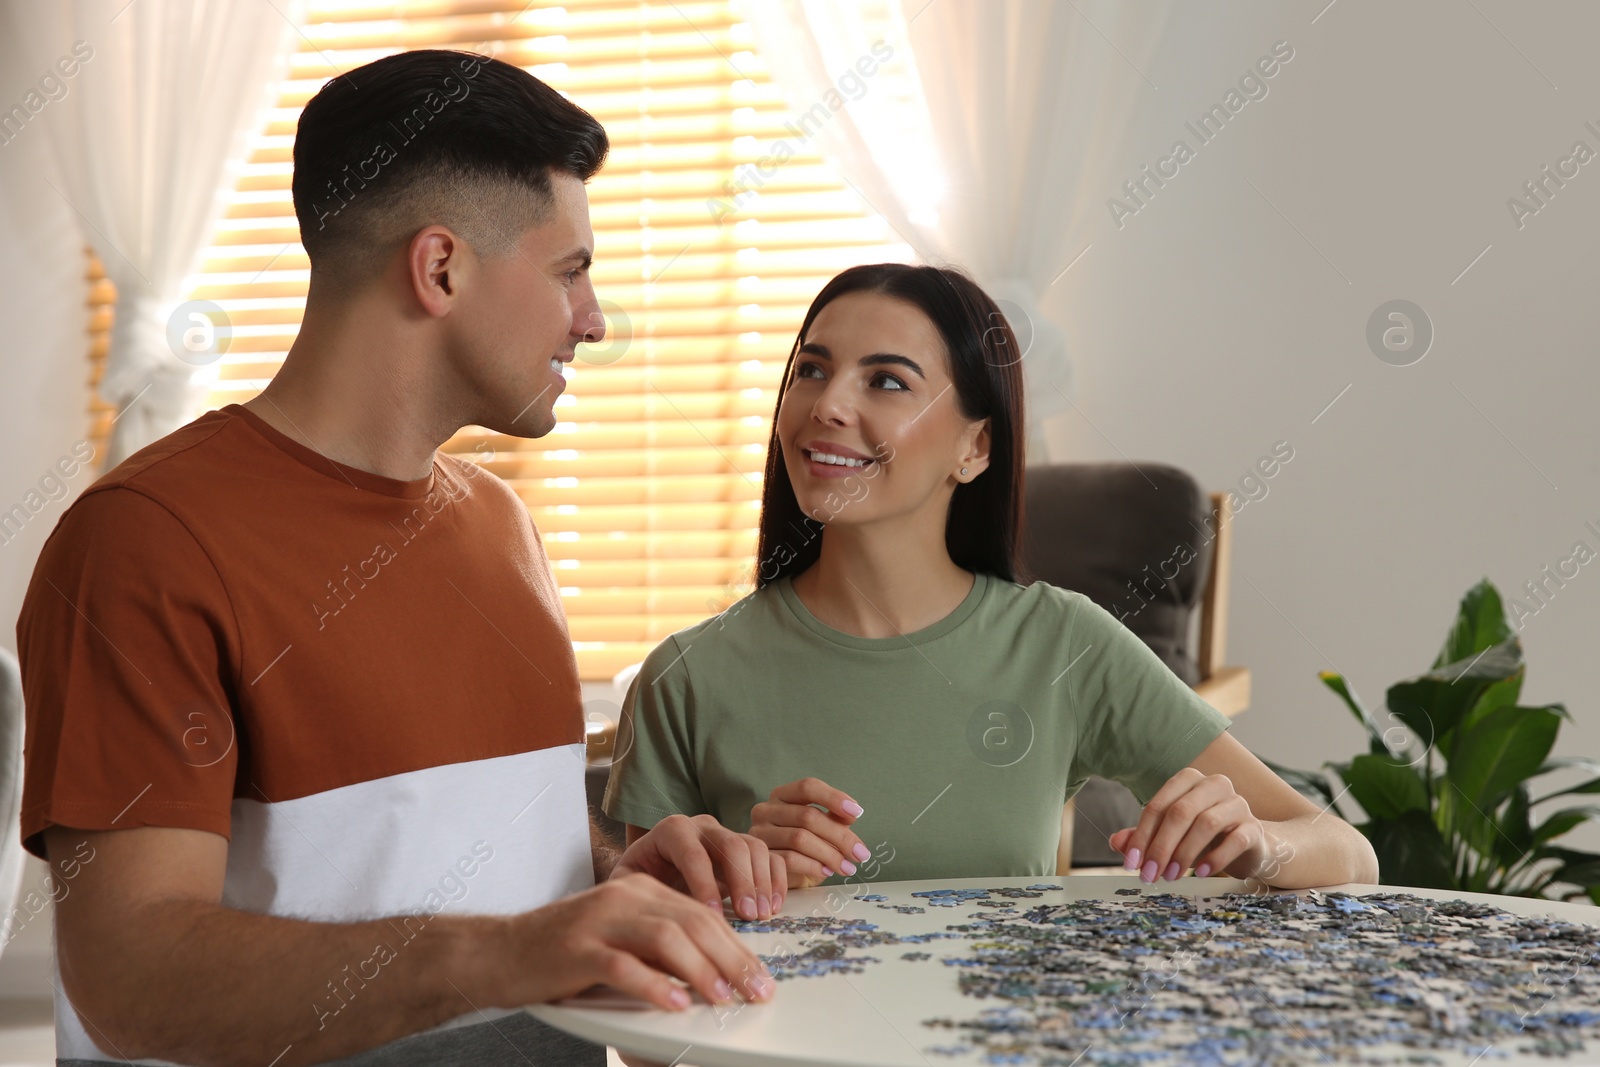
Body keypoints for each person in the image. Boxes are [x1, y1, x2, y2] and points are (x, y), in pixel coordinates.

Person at [16, 50, 785, 1067]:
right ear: (440, 268)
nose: (594, 322)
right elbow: (128, 973)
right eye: (570, 272)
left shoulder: (500, 526)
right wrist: (504, 952)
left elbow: (463, 865)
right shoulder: (144, 539)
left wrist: (617, 881)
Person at [603, 263, 1378, 891]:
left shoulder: (1063, 643)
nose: (827, 405)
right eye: (812, 369)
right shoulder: (686, 678)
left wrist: (1254, 847)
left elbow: (1347, 854)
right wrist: (742, 889)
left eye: (887, 381)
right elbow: (645, 1030)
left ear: (974, 448)